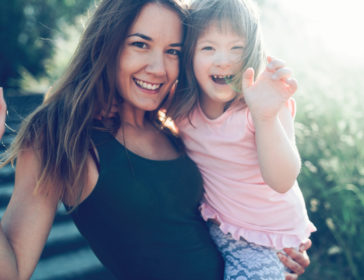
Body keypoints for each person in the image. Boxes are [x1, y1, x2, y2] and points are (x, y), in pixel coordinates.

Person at [0, 1, 310, 280]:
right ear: (106, 45)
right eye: (140, 44)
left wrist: (272, 253)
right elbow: (11, 271)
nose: (158, 68)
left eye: (173, 51)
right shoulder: (59, 135)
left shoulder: (173, 122)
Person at [167, 0, 316, 279]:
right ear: (189, 55)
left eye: (237, 48)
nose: (223, 59)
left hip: (270, 237)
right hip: (221, 224)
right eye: (208, 47)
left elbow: (283, 180)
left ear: (253, 53)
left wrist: (266, 116)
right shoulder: (182, 107)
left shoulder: (264, 105)